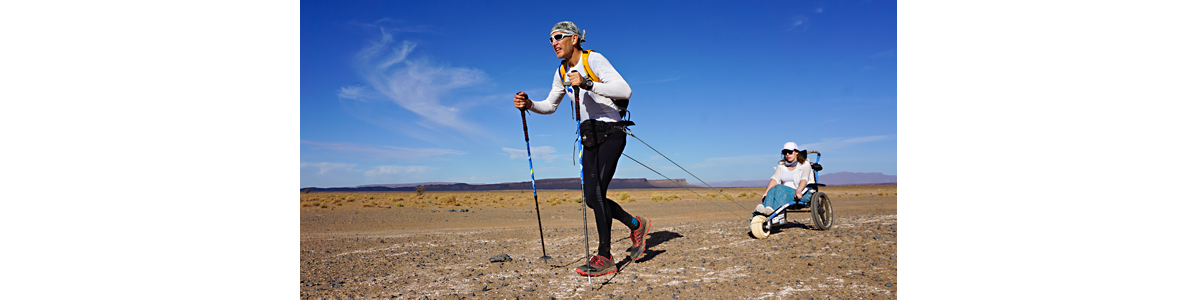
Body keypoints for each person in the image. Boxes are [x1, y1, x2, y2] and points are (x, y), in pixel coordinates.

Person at [512, 21, 650, 277]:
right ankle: (636, 224)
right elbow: (550, 105)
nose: (554, 42)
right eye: (551, 39)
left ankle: (605, 256)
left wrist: (587, 83)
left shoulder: (593, 60)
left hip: (612, 133)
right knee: (590, 198)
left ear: (574, 39)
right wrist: (529, 104)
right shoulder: (561, 71)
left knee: (597, 192)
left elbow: (624, 89)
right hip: (588, 137)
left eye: (559, 37)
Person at [756, 142, 814, 215]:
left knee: (780, 188)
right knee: (772, 190)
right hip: (782, 193)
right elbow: (775, 179)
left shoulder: (804, 164)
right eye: (784, 152)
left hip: (801, 193)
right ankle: (764, 209)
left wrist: (799, 190)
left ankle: (772, 211)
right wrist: (766, 192)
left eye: (790, 152)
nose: (787, 154)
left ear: (796, 152)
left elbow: (804, 179)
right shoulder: (781, 165)